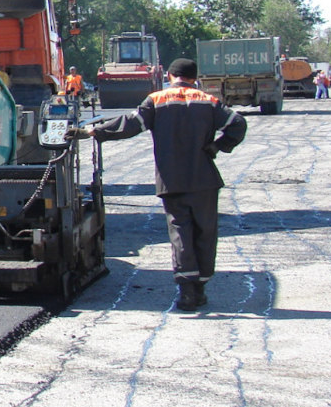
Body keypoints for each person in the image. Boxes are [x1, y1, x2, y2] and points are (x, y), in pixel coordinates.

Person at [68, 57, 247, 311]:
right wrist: (218, 146)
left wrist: (94, 132)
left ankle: (186, 292)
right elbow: (238, 124)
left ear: (171, 76)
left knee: (180, 232)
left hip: (171, 180)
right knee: (205, 232)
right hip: (204, 179)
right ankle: (200, 287)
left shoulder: (157, 100)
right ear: (194, 78)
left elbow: (130, 124)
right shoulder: (208, 101)